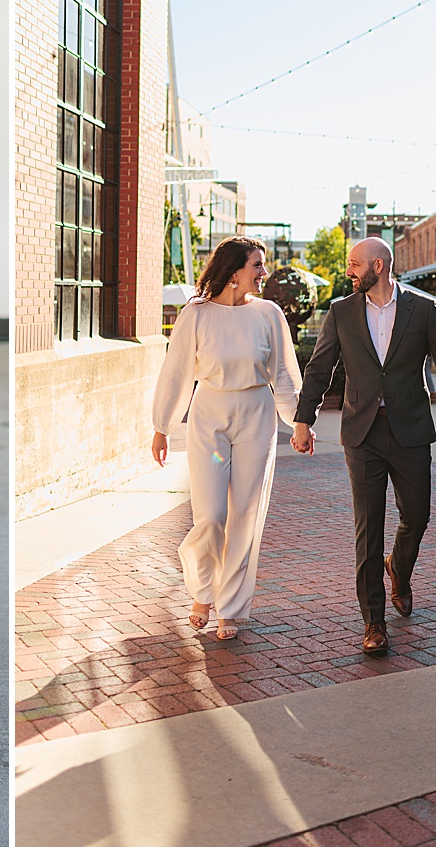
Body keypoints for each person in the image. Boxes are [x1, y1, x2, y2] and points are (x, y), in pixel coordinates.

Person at [290, 237, 436, 657]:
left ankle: (400, 570)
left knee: (417, 515)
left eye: (355, 264)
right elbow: (320, 368)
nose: (349, 271)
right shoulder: (341, 313)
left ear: (379, 265)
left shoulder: (422, 309)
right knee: (368, 527)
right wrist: (304, 419)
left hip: (411, 431)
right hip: (362, 434)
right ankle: (373, 621)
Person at [150, 237, 302, 641]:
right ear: (234, 271)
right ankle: (201, 590)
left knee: (244, 516)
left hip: (256, 415)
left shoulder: (268, 314)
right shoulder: (196, 315)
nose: (263, 273)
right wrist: (162, 425)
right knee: (211, 515)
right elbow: (177, 371)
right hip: (209, 417)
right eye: (257, 265)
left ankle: (230, 607)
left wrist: (299, 421)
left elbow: (285, 372)